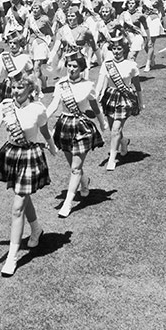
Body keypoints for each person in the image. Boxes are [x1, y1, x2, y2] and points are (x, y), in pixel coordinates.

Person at [0, 70, 55, 277]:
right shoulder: (5, 106)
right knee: (22, 197)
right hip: (11, 154)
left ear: (31, 89)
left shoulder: (38, 109)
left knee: (17, 207)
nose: (16, 91)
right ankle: (36, 229)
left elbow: (44, 131)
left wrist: (52, 146)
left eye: (21, 87)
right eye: (14, 87)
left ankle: (12, 256)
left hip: (29, 157)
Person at [45, 51, 106, 218]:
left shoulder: (88, 85)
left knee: (75, 168)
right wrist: (42, 120)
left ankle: (67, 203)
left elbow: (95, 106)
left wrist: (102, 122)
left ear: (81, 68)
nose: (71, 69)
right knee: (72, 163)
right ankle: (84, 182)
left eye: (75, 66)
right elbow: (53, 106)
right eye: (69, 66)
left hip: (81, 127)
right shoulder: (60, 84)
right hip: (64, 125)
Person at [95, 32, 142, 171]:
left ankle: (112, 159)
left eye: (119, 48)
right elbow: (100, 81)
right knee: (113, 129)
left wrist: (141, 102)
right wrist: (96, 95)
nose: (116, 51)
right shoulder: (106, 64)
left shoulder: (132, 65)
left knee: (115, 129)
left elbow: (138, 87)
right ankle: (124, 141)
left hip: (124, 99)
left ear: (125, 50)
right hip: (110, 97)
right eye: (114, 48)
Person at [0, 31, 33, 102]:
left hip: (21, 87)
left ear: (20, 44)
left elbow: (30, 74)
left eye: (15, 43)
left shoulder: (25, 57)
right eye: (10, 43)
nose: (12, 45)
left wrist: (33, 88)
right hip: (8, 86)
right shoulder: (3, 56)